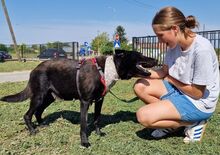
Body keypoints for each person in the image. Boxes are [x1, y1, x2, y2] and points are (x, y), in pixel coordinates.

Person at [133, 6, 219, 143]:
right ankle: (172, 122)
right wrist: (137, 72)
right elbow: (163, 72)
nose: (159, 41)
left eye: (160, 35)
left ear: (174, 29)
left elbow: (197, 93)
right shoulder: (173, 45)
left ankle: (192, 123)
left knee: (143, 116)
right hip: (180, 92)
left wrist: (171, 80)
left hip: (198, 102)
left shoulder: (202, 49)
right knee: (140, 86)